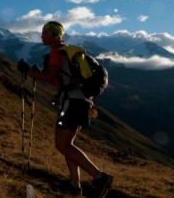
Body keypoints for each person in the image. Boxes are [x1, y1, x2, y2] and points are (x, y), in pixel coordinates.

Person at [18, 21, 113, 197]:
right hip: (82, 102)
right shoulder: (67, 51)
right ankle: (75, 185)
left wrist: (30, 72)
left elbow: (50, 77)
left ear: (54, 35)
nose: (41, 35)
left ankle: (99, 177)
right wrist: (38, 72)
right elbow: (59, 80)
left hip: (72, 103)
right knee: (68, 144)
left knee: (61, 145)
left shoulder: (56, 52)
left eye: (45, 33)